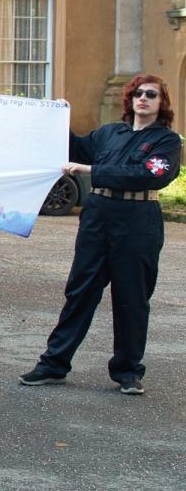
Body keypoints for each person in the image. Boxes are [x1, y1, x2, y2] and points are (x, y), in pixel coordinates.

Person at [20, 74, 181, 396]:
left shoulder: (167, 141)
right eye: (137, 93)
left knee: (132, 298)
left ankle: (127, 371)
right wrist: (58, 118)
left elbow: (149, 175)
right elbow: (77, 148)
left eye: (151, 94)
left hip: (137, 223)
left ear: (161, 102)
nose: (143, 98)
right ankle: (54, 364)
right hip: (98, 217)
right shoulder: (110, 133)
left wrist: (91, 170)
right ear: (130, 99)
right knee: (80, 291)